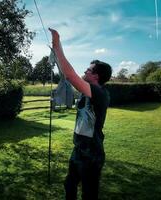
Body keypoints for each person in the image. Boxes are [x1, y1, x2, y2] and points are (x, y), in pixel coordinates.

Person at [49, 28, 112, 200]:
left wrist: (58, 40)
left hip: (92, 154)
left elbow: (70, 75)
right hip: (79, 150)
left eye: (89, 70)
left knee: (89, 194)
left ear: (96, 76)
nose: (85, 71)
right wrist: (56, 47)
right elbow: (66, 73)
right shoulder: (87, 91)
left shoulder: (99, 93)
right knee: (69, 185)